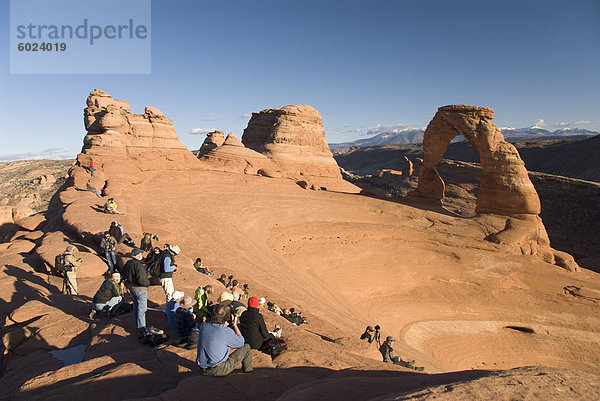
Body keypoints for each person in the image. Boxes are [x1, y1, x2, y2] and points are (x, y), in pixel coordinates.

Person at [196, 304, 253, 376]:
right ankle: (249, 373)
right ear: (229, 317)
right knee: (246, 347)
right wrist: (235, 325)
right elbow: (241, 342)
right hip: (218, 370)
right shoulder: (226, 331)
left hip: (202, 368)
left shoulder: (203, 326)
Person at [122, 248, 151, 338]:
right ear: (138, 256)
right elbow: (142, 279)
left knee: (136, 306)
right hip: (140, 289)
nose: (142, 255)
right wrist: (148, 283)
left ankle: (137, 325)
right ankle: (141, 328)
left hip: (131, 288)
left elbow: (123, 273)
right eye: (141, 254)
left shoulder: (128, 263)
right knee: (142, 309)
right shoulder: (139, 265)